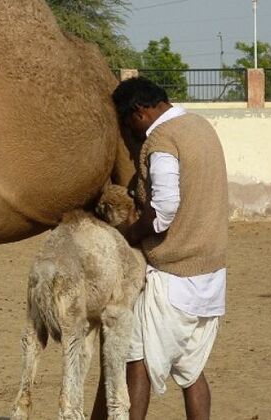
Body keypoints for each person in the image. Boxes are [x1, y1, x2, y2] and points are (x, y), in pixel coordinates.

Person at [93, 77, 228, 420]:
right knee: (191, 370)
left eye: (128, 125)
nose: (133, 136)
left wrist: (130, 233)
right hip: (211, 275)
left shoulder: (163, 140)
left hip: (173, 275)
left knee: (135, 361)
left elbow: (164, 207)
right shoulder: (200, 126)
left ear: (138, 111)